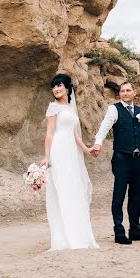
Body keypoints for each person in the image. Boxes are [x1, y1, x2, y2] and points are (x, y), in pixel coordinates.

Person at [90, 81, 140, 245]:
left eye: (128, 90)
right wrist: (98, 143)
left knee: (136, 195)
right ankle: (119, 232)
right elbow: (104, 126)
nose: (124, 93)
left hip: (137, 159)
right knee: (119, 194)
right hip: (121, 158)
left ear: (135, 92)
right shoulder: (114, 109)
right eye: (122, 91)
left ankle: (135, 230)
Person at [41, 73, 99, 250]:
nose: (56, 89)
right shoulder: (53, 108)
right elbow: (50, 133)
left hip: (71, 154)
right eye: (54, 86)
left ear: (67, 88)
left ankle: (79, 235)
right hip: (58, 152)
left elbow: (74, 135)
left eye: (59, 85)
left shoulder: (71, 108)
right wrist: (46, 156)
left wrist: (87, 150)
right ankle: (63, 238)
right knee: (62, 191)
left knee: (74, 189)